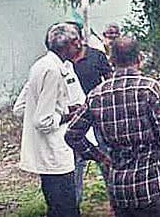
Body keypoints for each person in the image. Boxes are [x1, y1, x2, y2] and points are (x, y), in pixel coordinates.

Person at [66, 36, 160, 217]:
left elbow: (72, 135)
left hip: (119, 189)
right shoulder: (149, 88)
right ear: (140, 57)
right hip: (152, 185)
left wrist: (100, 157)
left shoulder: (96, 95)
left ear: (111, 61)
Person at [14, 23, 87, 217]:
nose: (79, 46)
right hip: (55, 153)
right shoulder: (52, 71)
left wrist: (64, 109)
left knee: (57, 205)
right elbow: (43, 120)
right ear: (65, 46)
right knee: (66, 208)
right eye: (75, 42)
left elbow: (25, 106)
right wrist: (68, 116)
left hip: (50, 154)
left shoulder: (44, 65)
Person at [65, 22, 115, 205]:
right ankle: (73, 205)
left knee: (105, 156)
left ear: (78, 40)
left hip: (98, 117)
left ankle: (116, 200)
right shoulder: (63, 63)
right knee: (75, 163)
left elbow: (110, 82)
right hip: (74, 120)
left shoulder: (97, 57)